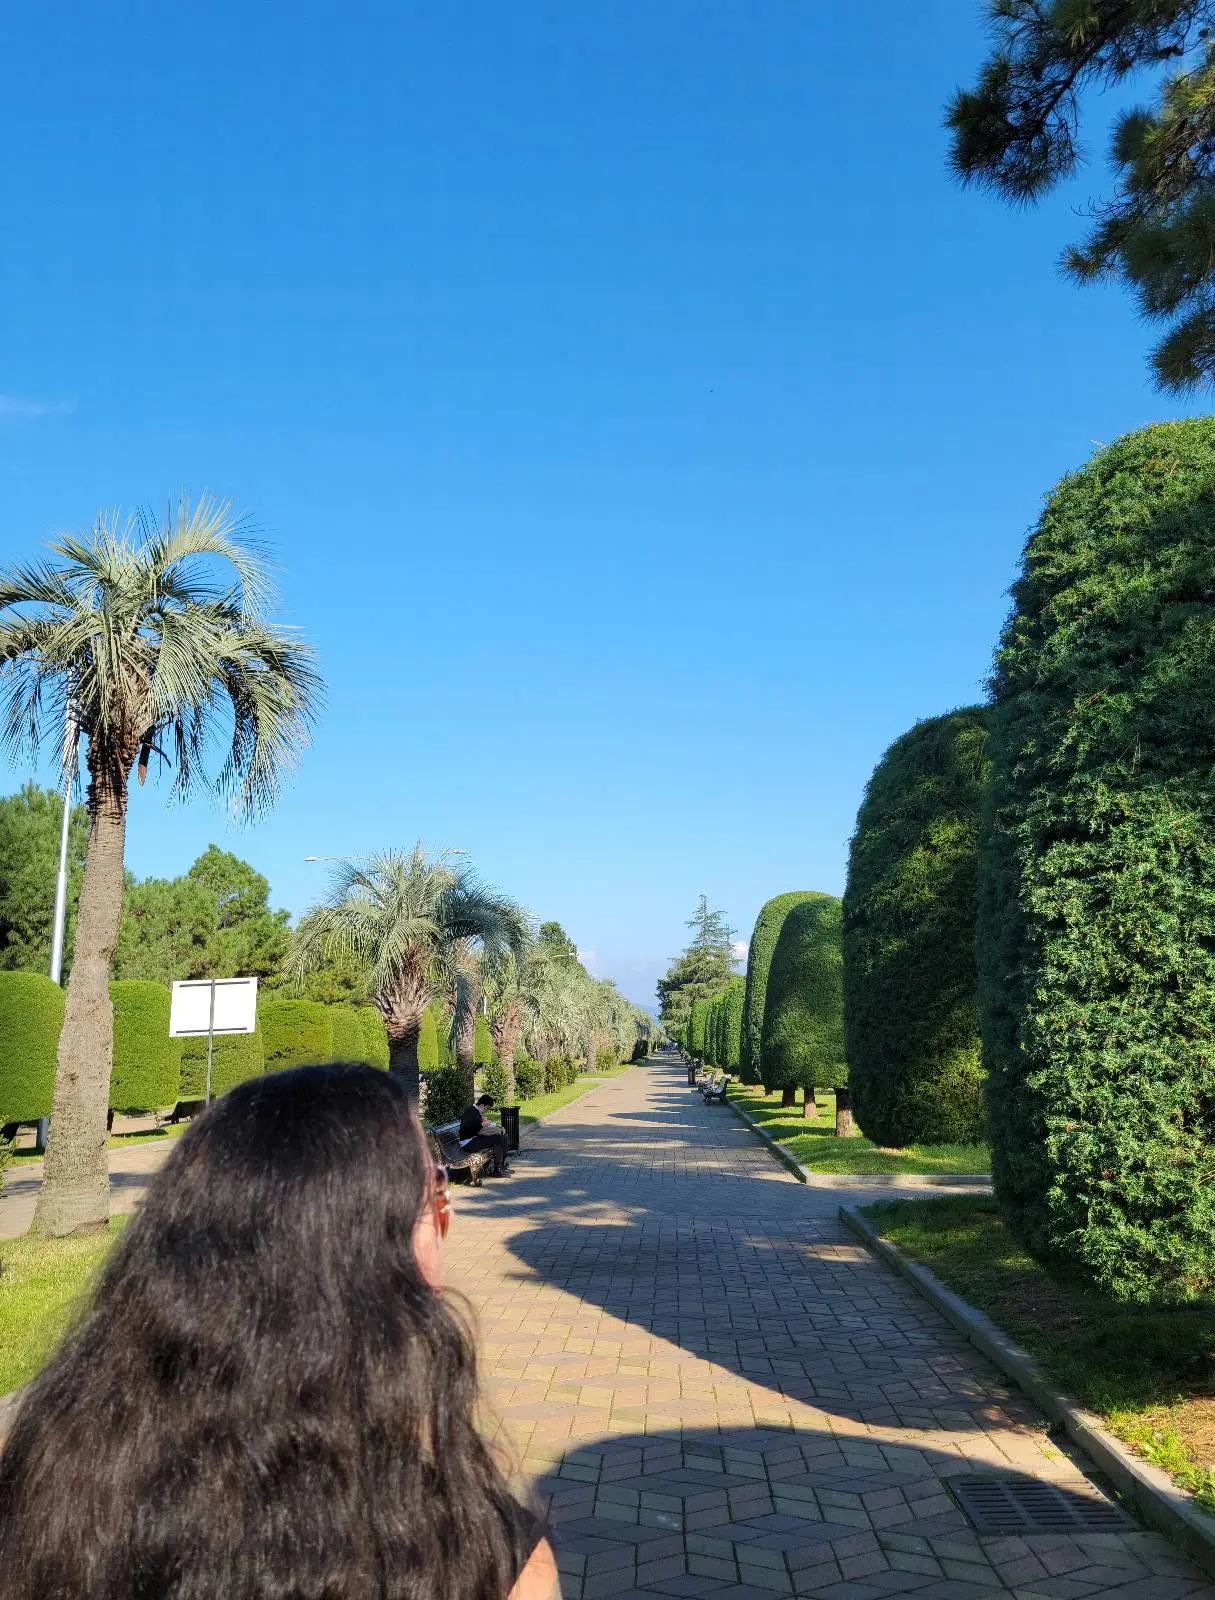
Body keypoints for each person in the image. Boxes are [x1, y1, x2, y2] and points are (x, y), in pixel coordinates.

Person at [0, 1064, 558, 1600]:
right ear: (368, 1260)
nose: (448, 1216)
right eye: (431, 1196)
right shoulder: (484, 1558)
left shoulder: (39, 1477)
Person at [459, 1092, 511, 1176]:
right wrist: (482, 1124)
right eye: (488, 1108)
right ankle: (497, 1170)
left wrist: (481, 1121)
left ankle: (501, 1166)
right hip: (468, 1143)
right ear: (482, 1105)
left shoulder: (475, 1111)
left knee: (503, 1136)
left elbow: (475, 1125)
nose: (487, 1110)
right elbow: (467, 1129)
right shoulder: (470, 1112)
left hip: (473, 1139)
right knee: (498, 1139)